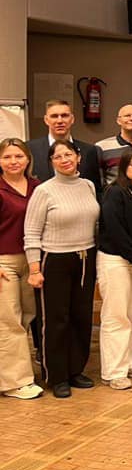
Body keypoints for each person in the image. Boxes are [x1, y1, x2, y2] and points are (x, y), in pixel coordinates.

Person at [24, 140, 100, 398]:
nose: (64, 160)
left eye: (69, 154)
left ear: (78, 157)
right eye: (58, 157)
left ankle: (75, 370)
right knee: (56, 320)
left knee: (81, 317)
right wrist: (35, 269)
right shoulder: (44, 191)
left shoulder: (88, 186)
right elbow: (31, 233)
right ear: (51, 162)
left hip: (85, 257)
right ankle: (56, 376)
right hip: (54, 259)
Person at [96, 147, 132, 390]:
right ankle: (113, 371)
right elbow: (114, 229)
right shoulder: (114, 192)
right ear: (124, 167)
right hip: (115, 260)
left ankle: (129, 363)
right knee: (116, 315)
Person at [0, 138, 42, 399]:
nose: (13, 161)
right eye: (7, 157)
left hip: (32, 261)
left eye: (18, 156)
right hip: (4, 262)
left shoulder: (37, 187)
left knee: (27, 317)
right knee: (9, 321)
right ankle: (16, 383)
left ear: (27, 159)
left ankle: (10, 371)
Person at [28, 100, 103, 196]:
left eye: (64, 116)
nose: (60, 121)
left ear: (72, 119)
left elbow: (97, 191)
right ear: (46, 120)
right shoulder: (30, 149)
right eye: (54, 116)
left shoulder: (89, 151)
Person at [95, 104, 132, 184]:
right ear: (118, 121)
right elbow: (98, 180)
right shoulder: (102, 147)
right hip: (114, 191)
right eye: (127, 116)